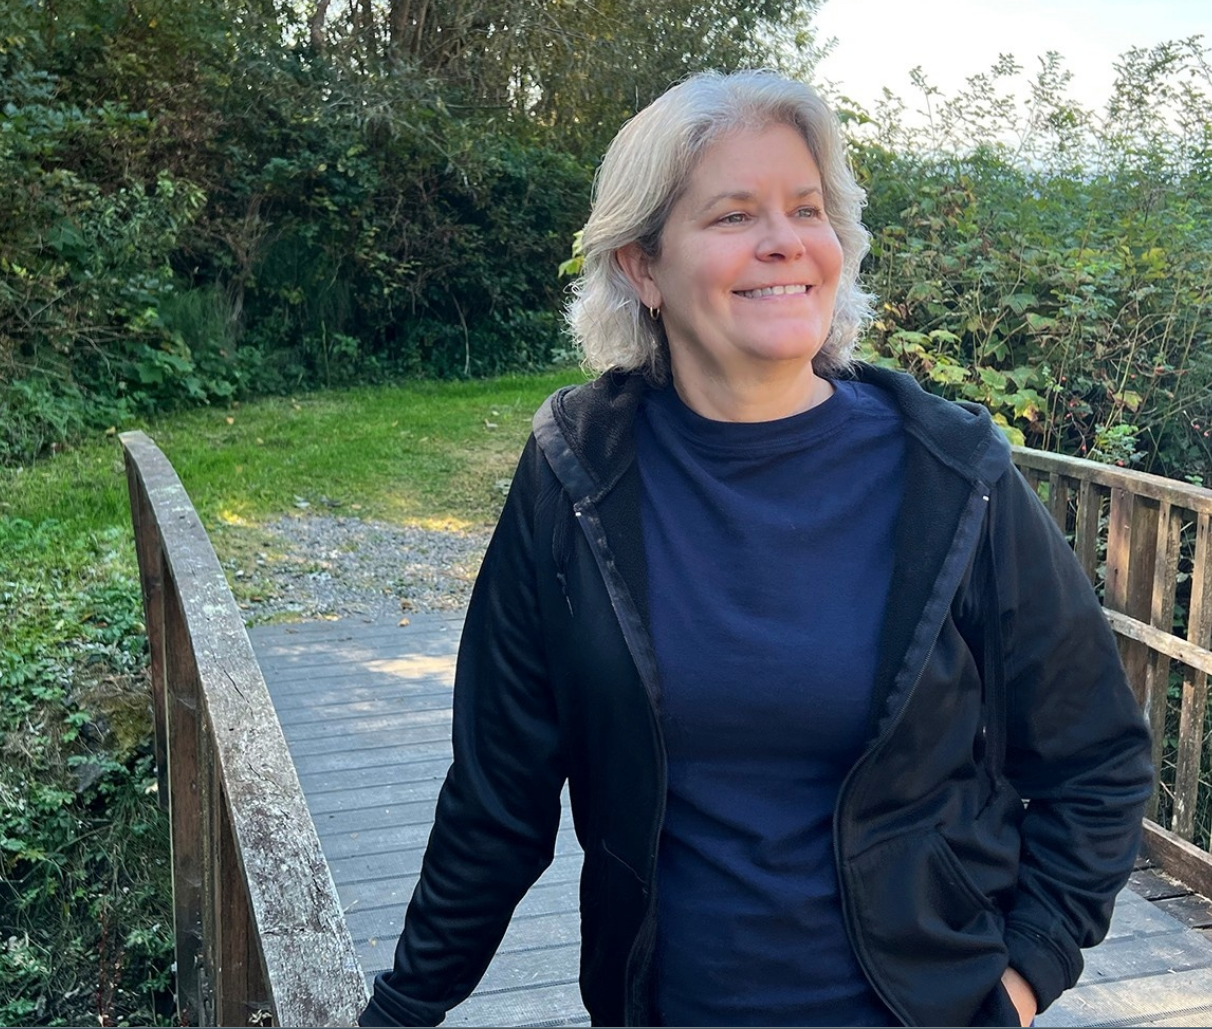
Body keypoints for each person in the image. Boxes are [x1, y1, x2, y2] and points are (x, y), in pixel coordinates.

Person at [358, 70, 1153, 1028]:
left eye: (806, 208)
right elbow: (497, 798)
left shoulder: (954, 476)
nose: (786, 240)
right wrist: (399, 1011)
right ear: (642, 267)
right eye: (734, 214)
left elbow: (1096, 760)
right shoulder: (577, 477)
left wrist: (1022, 980)